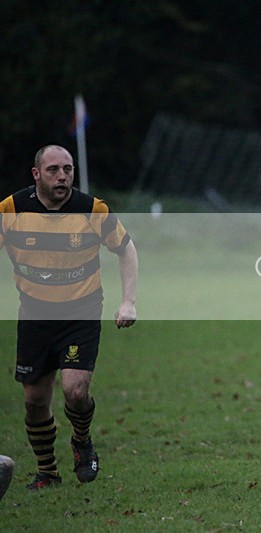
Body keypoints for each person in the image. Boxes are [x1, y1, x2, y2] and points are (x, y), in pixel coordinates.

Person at [0, 145, 138, 490]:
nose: (62, 176)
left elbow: (127, 249)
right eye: (53, 170)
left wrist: (128, 302)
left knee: (75, 391)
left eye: (68, 169)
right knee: (34, 402)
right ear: (36, 174)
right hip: (34, 313)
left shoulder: (92, 210)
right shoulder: (11, 209)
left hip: (81, 310)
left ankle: (81, 439)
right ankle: (47, 472)